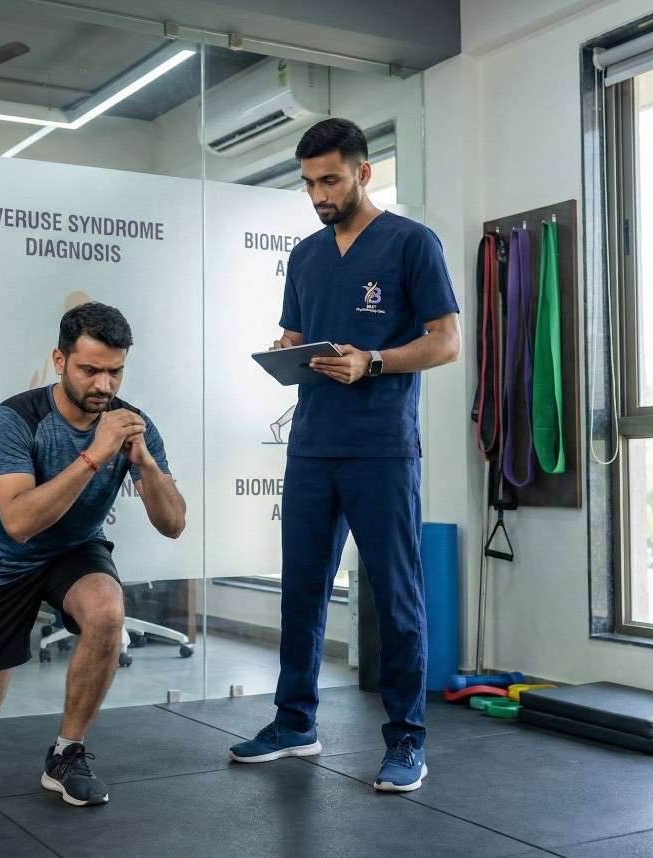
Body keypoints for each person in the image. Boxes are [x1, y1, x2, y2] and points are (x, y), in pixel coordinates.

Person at [229, 118, 461, 793]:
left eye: (329, 179)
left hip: (381, 448)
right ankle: (295, 722)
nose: (318, 194)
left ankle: (407, 742)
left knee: (396, 598)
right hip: (311, 447)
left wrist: (376, 361)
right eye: (308, 183)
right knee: (301, 591)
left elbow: (445, 341)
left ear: (364, 171)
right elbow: (296, 333)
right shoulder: (304, 256)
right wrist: (283, 352)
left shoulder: (412, 243)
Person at [0, 302, 186, 807]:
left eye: (115, 372)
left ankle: (67, 753)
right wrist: (95, 455)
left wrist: (147, 466)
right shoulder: (15, 418)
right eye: (90, 370)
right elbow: (19, 522)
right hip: (6, 557)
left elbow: (173, 524)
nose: (103, 386)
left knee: (108, 610)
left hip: (75, 549)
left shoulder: (133, 424)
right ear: (60, 361)